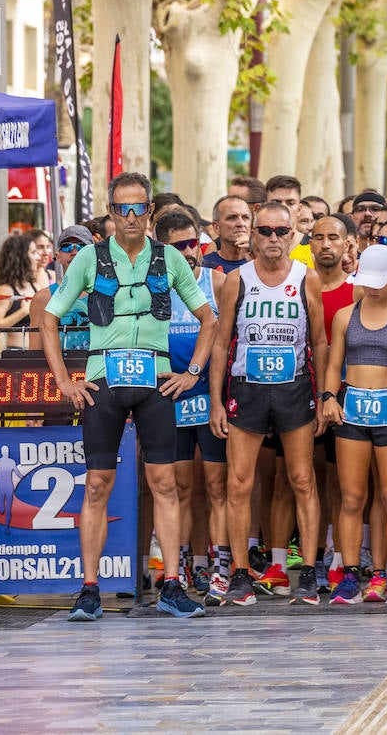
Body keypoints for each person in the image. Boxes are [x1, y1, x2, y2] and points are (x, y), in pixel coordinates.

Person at [41, 172, 215, 621]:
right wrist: (65, 381)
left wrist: (192, 372)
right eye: (124, 209)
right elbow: (48, 319)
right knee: (98, 484)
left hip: (156, 381)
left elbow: (208, 318)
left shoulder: (169, 258)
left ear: (150, 212)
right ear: (112, 213)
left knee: (165, 484)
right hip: (103, 380)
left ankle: (172, 584)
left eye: (140, 208)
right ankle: (89, 589)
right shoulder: (89, 259)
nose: (132, 217)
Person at [208, 201, 330, 607]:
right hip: (248, 388)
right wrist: (216, 402)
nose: (273, 239)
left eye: (282, 232)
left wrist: (324, 396)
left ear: (293, 236)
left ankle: (309, 574)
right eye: (266, 231)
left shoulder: (305, 277)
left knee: (302, 480)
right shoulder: (236, 279)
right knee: (239, 484)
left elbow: (320, 341)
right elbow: (221, 342)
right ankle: (240, 575)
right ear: (253, 236)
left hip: (294, 388)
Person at [320, 245, 387, 605]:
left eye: (381, 282)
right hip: (352, 409)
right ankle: (349, 575)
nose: (374, 288)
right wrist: (328, 396)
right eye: (368, 282)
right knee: (352, 497)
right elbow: (334, 364)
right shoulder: (346, 316)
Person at [153, 210, 227, 601]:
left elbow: (226, 341)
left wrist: (205, 384)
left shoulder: (216, 281)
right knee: (180, 488)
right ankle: (178, 567)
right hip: (171, 395)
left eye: (194, 244)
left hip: (206, 394)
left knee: (216, 487)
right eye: (179, 246)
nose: (190, 252)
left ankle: (218, 566)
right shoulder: (153, 287)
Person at [28, 226, 95, 354]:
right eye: (67, 246)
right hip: (56, 372)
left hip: (96, 371)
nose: (74, 252)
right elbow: (34, 355)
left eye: (82, 246)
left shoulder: (106, 293)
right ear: (57, 256)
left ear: (93, 255)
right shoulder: (43, 298)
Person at [0, 234, 40, 351]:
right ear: (21, 257)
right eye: (33, 253)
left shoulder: (36, 286)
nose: (38, 257)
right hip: (17, 352)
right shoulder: (6, 290)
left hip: (38, 352)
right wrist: (23, 311)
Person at [265, 175, 316, 267]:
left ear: (299, 209)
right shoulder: (253, 248)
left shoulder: (314, 249)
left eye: (290, 203)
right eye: (276, 202)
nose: (284, 208)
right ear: (264, 207)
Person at [203, 195, 254, 273]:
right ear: (216, 227)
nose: (241, 223)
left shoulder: (264, 263)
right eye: (232, 218)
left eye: (245, 217)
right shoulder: (204, 266)